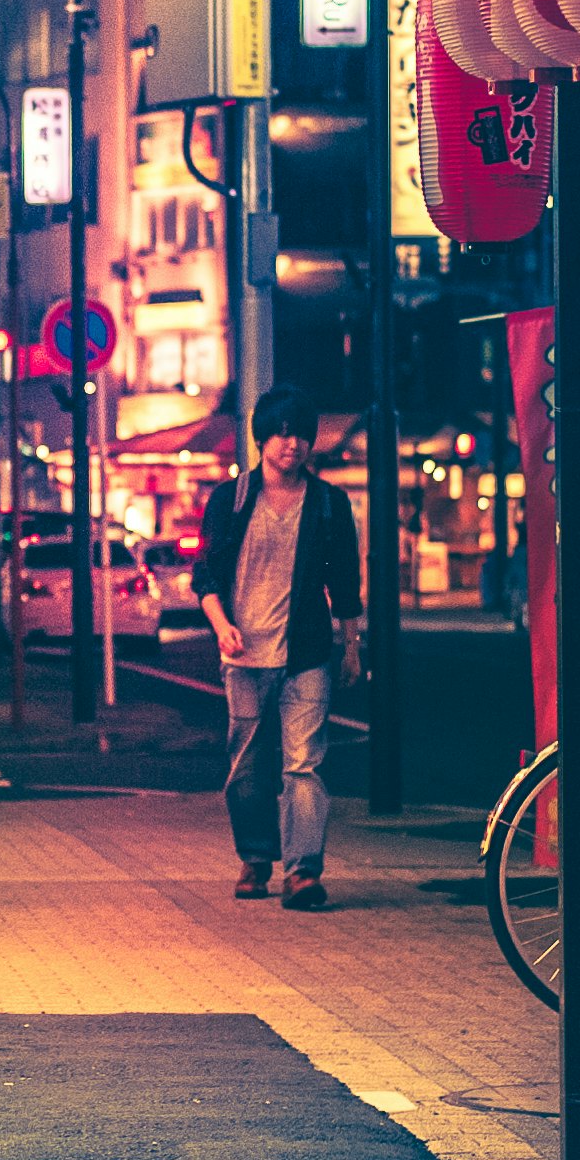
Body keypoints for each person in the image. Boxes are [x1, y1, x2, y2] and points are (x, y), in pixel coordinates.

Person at [191, 385, 362, 908]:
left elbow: (347, 583)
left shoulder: (330, 504)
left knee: (303, 765)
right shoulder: (232, 499)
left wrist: (351, 646)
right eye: (282, 433)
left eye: (301, 435)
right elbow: (206, 576)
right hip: (243, 657)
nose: (292, 444)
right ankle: (255, 858)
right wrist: (221, 626)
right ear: (263, 437)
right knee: (246, 766)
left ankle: (303, 871)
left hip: (307, 654)